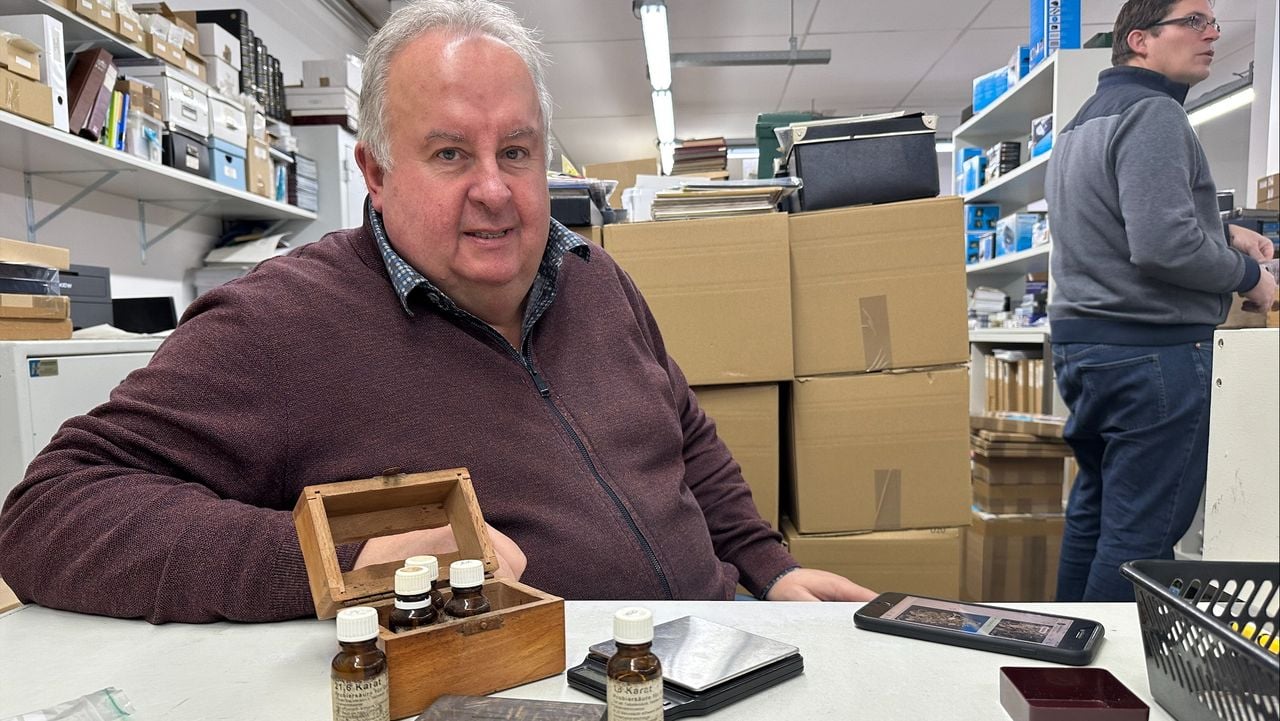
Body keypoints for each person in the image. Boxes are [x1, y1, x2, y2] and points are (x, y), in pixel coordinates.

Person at [0, 0, 874, 624]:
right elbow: (52, 511)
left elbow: (686, 442)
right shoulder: (283, 324)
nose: (494, 190)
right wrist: (336, 565)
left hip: (720, 653)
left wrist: (769, 568)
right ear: (375, 171)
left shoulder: (597, 279)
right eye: (451, 153)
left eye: (517, 151)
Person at [1045, 0, 1276, 602]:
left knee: (1094, 520)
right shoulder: (1154, 115)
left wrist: (1222, 231)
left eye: (1214, 22)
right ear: (1141, 40)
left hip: (1088, 350)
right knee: (1141, 538)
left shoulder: (1085, 120)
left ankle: (1066, 661)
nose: (1213, 34)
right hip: (1152, 357)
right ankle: (1107, 686)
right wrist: (1249, 275)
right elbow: (1164, 247)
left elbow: (1117, 220)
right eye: (1195, 22)